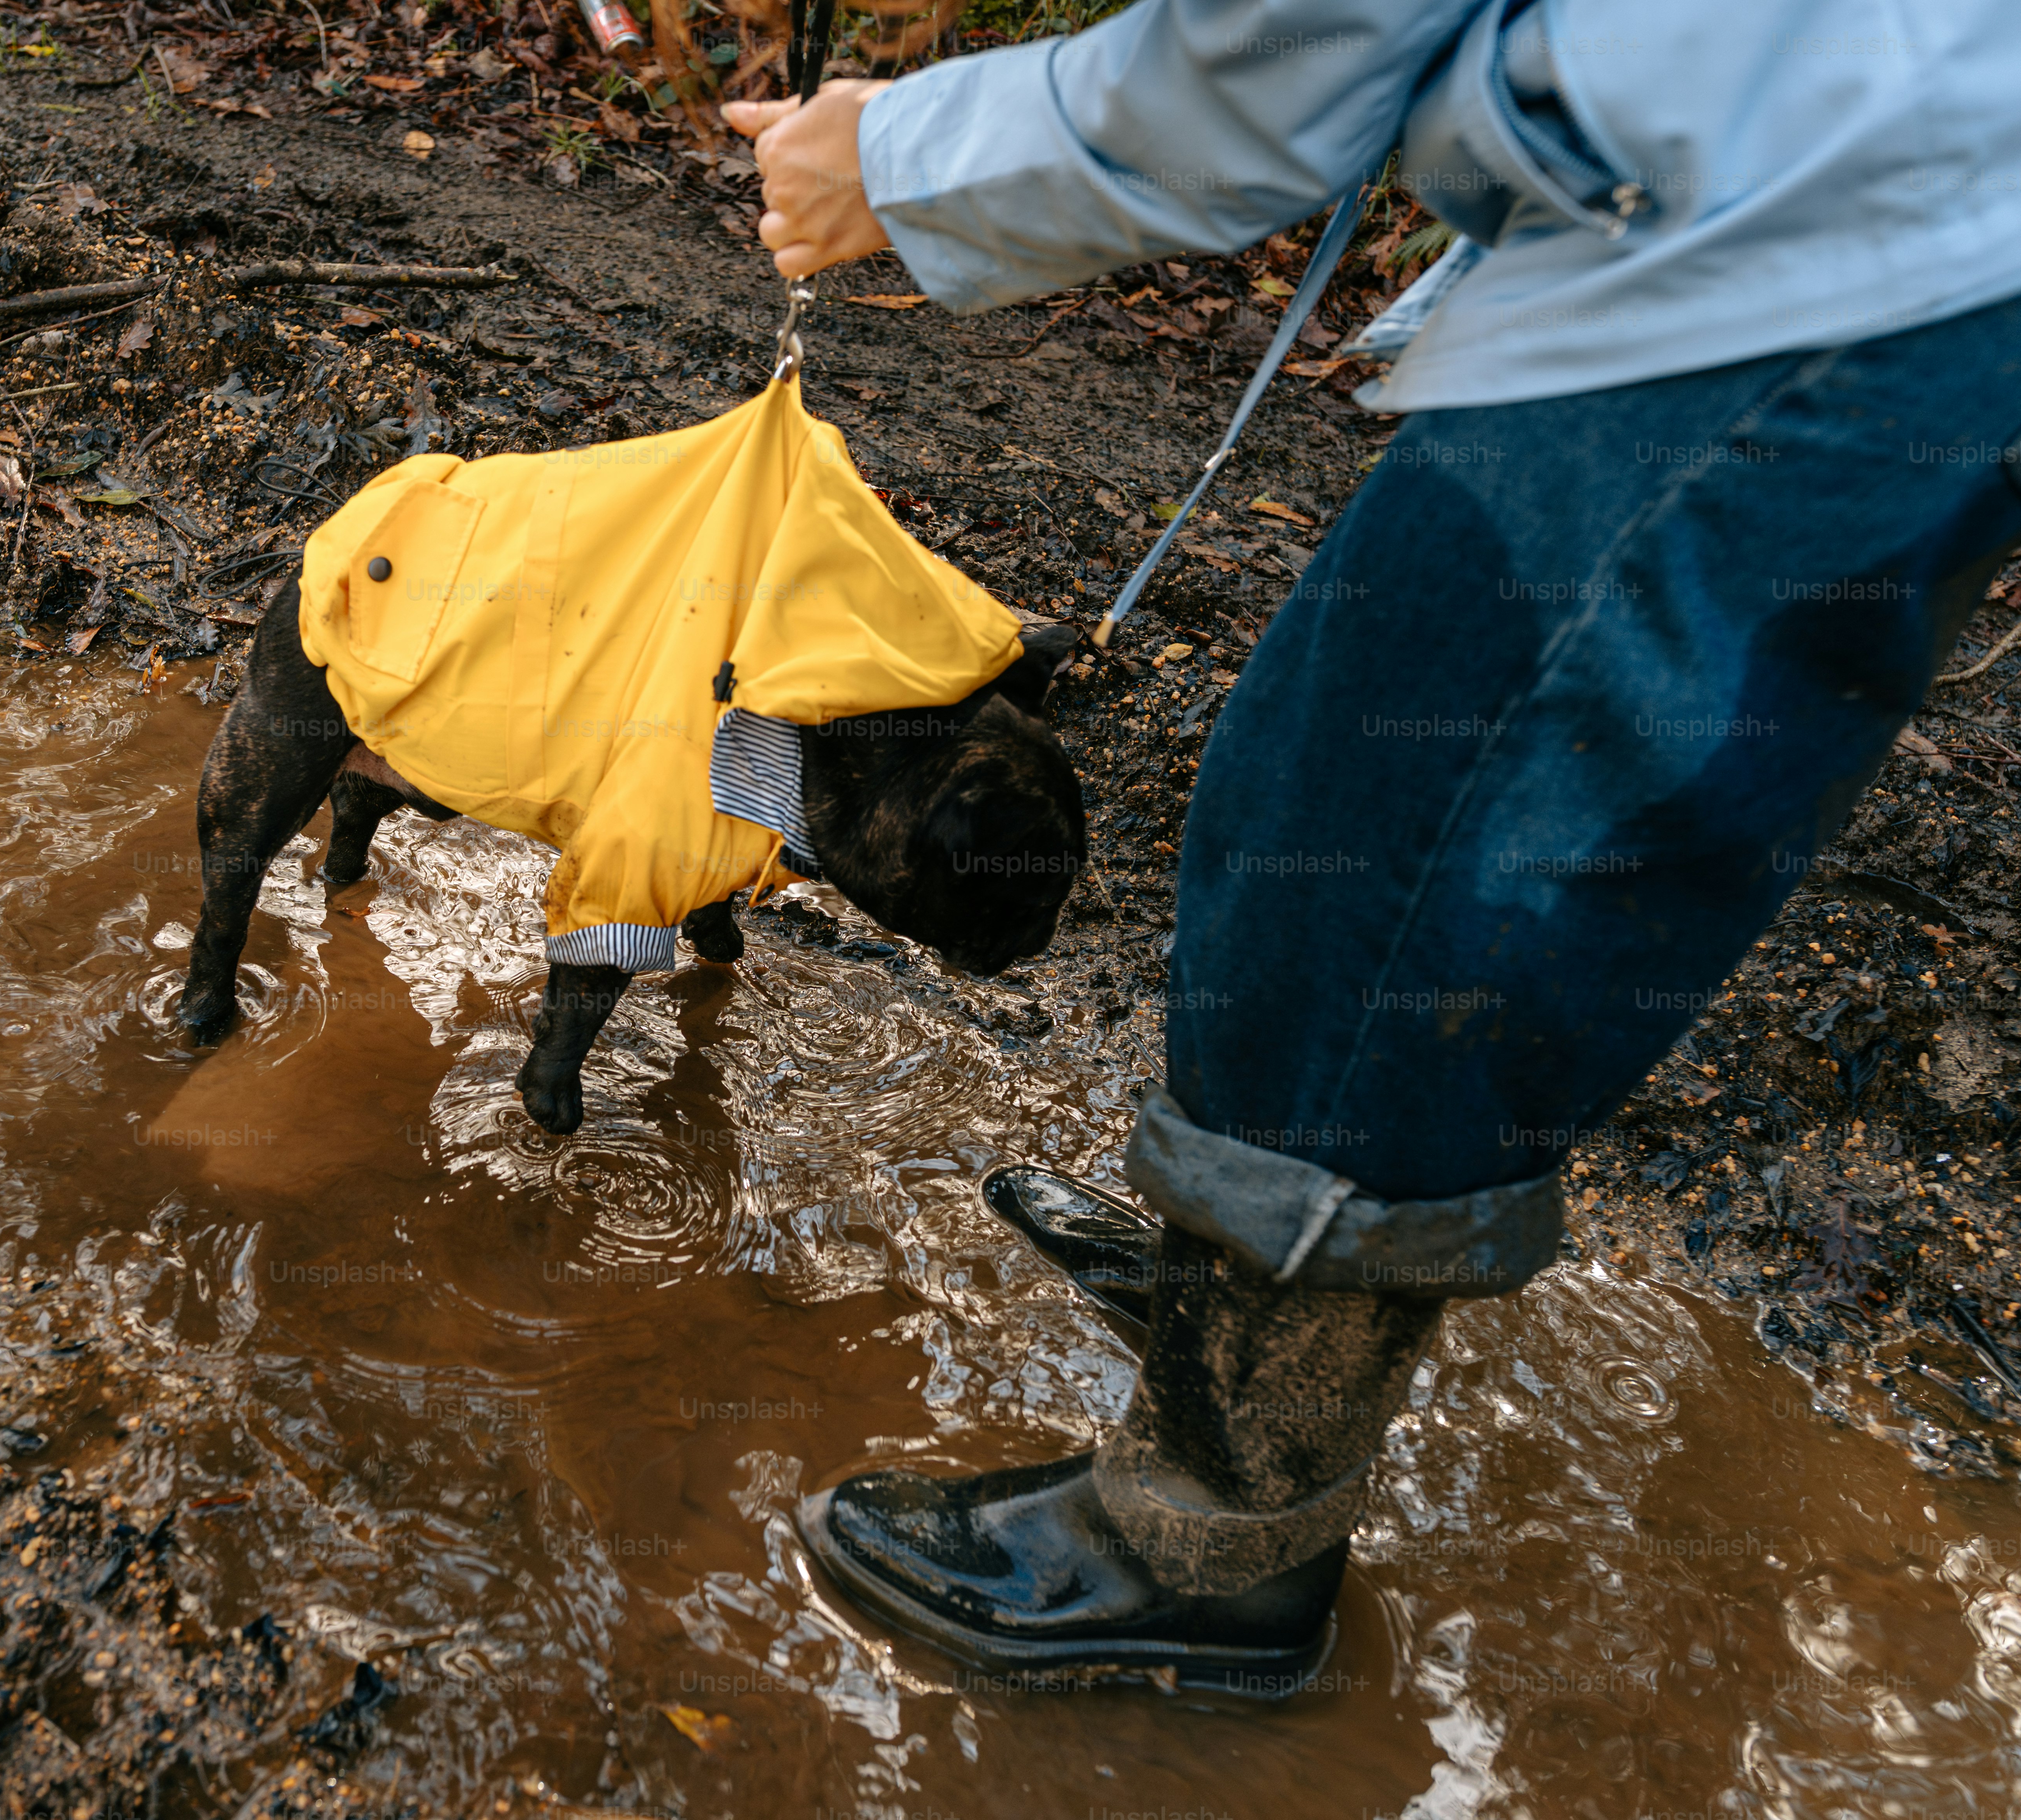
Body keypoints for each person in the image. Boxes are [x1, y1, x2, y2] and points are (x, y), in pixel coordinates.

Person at [724, 0, 2021, 1687]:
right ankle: (1238, 1311)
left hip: (1809, 236)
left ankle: (1210, 1527)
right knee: (1392, 797)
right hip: (1846, 204)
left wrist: (906, 159)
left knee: (1385, 858)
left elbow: (1300, 32)